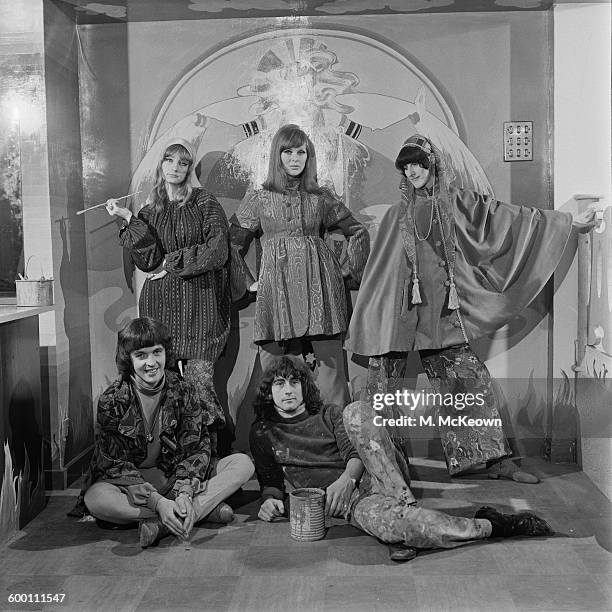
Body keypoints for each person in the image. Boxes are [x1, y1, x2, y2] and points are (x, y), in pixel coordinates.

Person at [344, 134, 600, 482]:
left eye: (418, 162)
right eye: (406, 165)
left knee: (468, 379)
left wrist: (568, 222)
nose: (413, 170)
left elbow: (509, 219)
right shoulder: (394, 216)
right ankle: (385, 469)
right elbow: (380, 274)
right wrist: (372, 318)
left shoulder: (458, 204)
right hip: (396, 317)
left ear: (433, 162)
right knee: (381, 388)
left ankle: (494, 463)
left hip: (441, 316)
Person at [250, 357, 553, 562]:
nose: (287, 390)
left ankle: (403, 501)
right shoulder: (263, 432)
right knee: (395, 527)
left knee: (356, 411)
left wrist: (346, 480)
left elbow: (357, 453)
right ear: (269, 392)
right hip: (352, 504)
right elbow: (271, 482)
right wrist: (270, 500)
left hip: (377, 472)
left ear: (304, 386)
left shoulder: (328, 414)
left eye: (293, 382)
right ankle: (493, 525)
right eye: (279, 384)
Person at [105, 138, 248, 453]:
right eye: (170, 160)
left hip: (202, 306)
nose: (176, 167)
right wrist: (129, 219)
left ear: (189, 168)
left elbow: (218, 250)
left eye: (183, 162)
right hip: (161, 307)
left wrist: (170, 262)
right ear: (161, 165)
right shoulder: (148, 211)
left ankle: (214, 458)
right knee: (166, 392)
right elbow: (148, 261)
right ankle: (177, 462)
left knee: (201, 387)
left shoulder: (204, 202)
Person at [74, 317, 254, 548]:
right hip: (133, 484)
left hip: (174, 475)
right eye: (141, 355)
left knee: (242, 464)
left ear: (165, 353)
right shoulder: (112, 400)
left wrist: (185, 491)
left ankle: (167, 521)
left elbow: (197, 446)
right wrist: (157, 502)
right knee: (95, 498)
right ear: (128, 359)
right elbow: (113, 463)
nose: (151, 362)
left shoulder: (183, 388)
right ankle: (196, 512)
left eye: (157, 352)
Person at [230, 124, 370, 407]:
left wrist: (343, 271)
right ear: (276, 155)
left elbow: (357, 231)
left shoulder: (320, 197)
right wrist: (248, 282)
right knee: (275, 373)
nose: (295, 158)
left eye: (301, 152)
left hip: (321, 294)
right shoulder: (259, 198)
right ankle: (278, 441)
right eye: (288, 152)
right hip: (277, 294)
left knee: (331, 372)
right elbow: (232, 243)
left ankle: (337, 438)